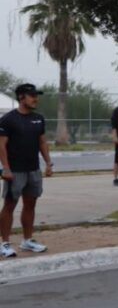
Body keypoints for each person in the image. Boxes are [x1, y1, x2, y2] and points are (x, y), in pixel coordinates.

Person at [0, 84, 52, 257]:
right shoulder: (8, 119)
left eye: (36, 95)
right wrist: (5, 168)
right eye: (31, 95)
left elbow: (42, 142)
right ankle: (4, 243)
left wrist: (48, 163)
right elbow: (1, 146)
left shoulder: (38, 118)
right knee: (9, 205)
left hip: (33, 169)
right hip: (15, 170)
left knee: (30, 205)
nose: (35, 98)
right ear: (21, 97)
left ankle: (27, 241)